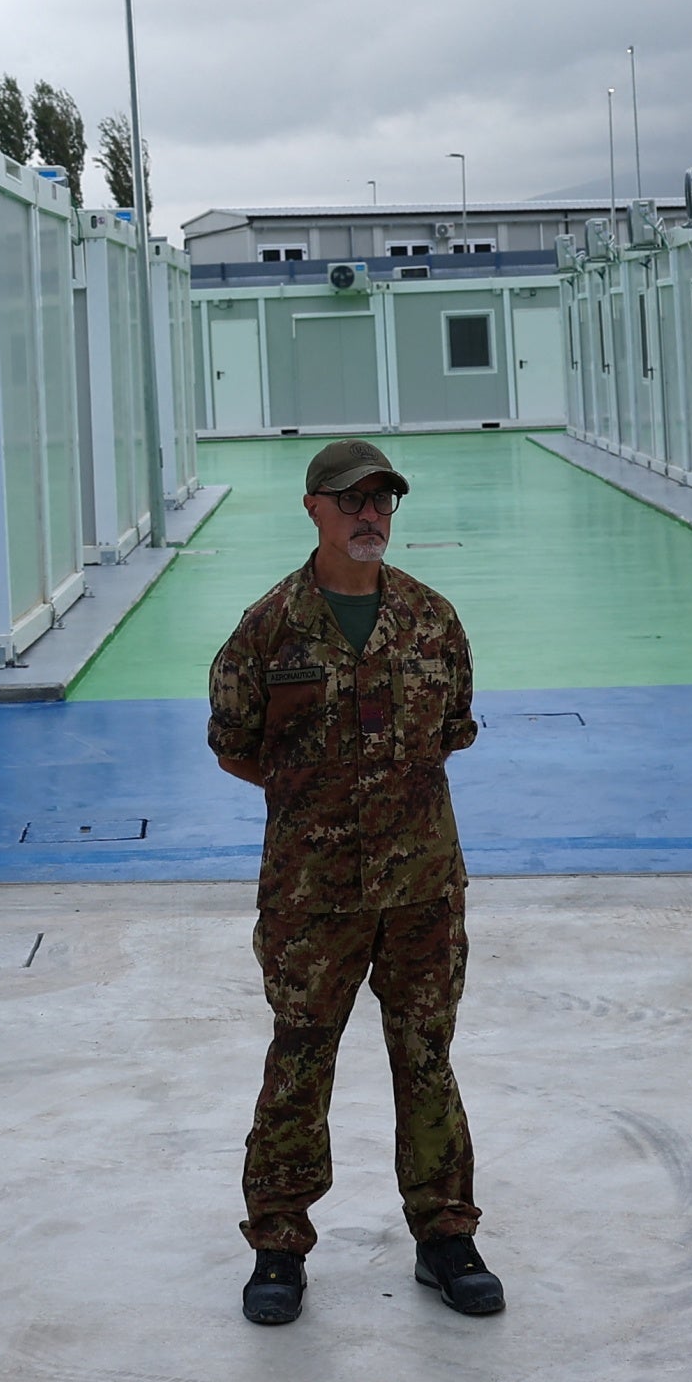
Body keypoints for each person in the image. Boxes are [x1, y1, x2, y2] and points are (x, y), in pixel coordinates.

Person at [205, 436, 502, 1326]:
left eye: (382, 499)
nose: (369, 514)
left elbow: (453, 728)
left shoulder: (432, 619)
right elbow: (234, 743)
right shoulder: (269, 628)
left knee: (427, 1058)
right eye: (350, 499)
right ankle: (277, 1244)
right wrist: (319, 804)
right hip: (311, 891)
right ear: (314, 509)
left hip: (420, 886)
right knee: (300, 1057)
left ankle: (446, 1236)